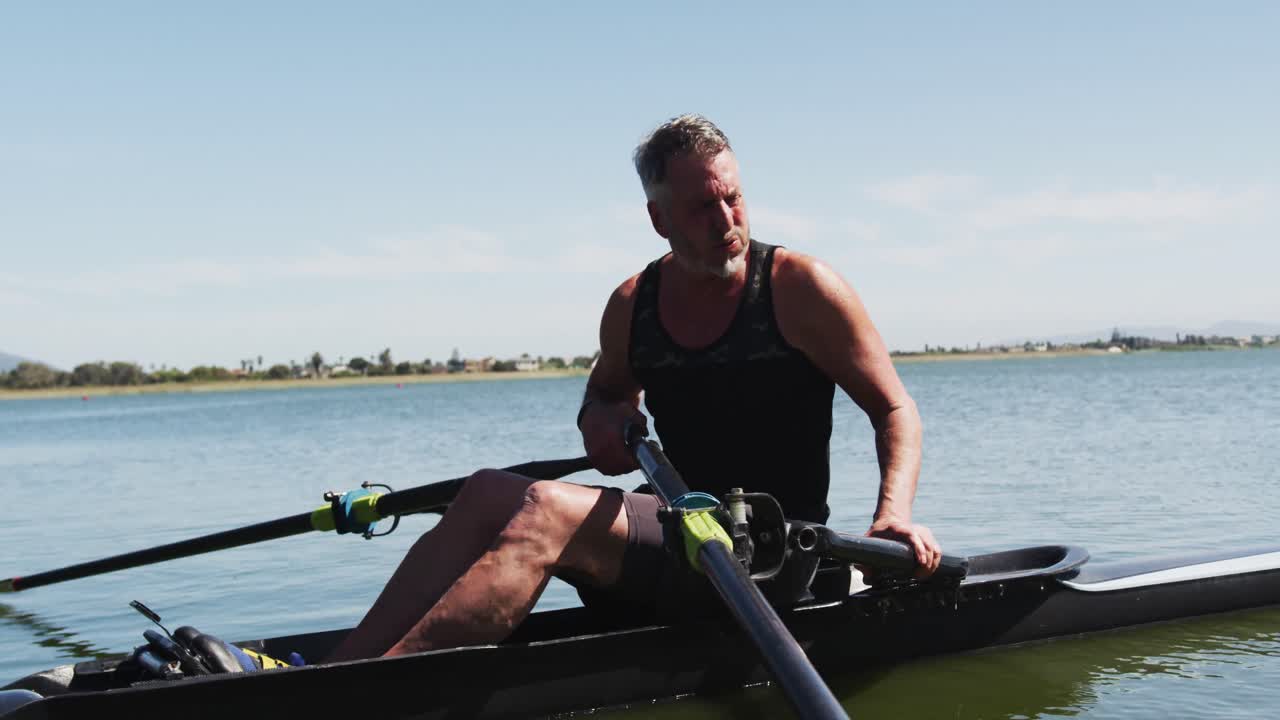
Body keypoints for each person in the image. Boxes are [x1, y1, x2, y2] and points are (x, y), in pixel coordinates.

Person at [325, 114, 942, 662]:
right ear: (659, 218)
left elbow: (894, 407)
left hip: (769, 554)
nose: (727, 220)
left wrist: (892, 516)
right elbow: (605, 397)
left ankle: (371, 690)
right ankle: (338, 672)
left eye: (734, 198)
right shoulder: (633, 305)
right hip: (679, 531)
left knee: (546, 511)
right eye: (703, 206)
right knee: (487, 491)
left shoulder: (801, 288)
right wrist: (602, 417)